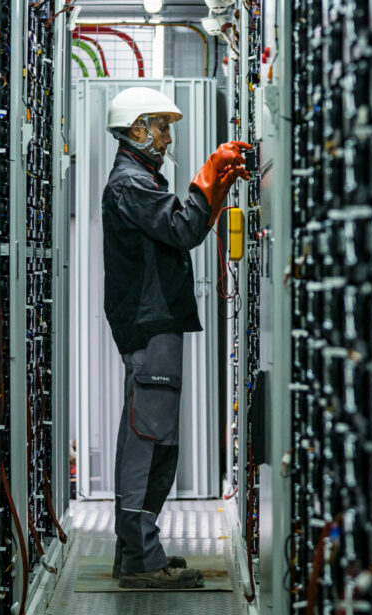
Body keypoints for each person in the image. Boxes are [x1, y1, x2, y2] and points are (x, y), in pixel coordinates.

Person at [101, 86, 250, 589]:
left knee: (155, 437)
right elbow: (185, 228)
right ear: (135, 128)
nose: (167, 137)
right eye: (160, 126)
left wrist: (218, 185)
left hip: (155, 320)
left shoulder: (140, 178)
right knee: (149, 438)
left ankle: (137, 550)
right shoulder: (131, 184)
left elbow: (183, 227)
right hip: (150, 322)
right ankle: (142, 560)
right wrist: (212, 175)